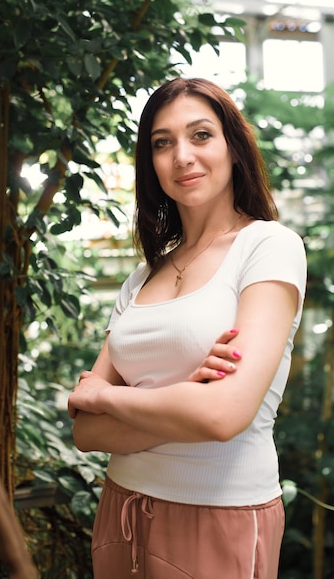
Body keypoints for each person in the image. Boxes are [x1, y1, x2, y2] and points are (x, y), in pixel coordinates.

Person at [68, 77, 307, 579]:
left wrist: (109, 397)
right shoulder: (142, 276)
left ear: (233, 148)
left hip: (219, 512)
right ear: (150, 163)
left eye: (201, 135)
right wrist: (184, 401)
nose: (182, 156)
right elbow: (86, 431)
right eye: (162, 142)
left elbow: (223, 414)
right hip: (122, 509)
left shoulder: (268, 247)